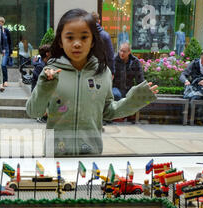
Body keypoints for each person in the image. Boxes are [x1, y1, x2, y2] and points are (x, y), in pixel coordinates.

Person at [26, 9, 158, 156]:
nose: (77, 44)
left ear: (92, 41)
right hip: (55, 155)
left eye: (84, 37)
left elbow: (109, 111)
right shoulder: (50, 73)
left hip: (90, 155)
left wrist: (133, 101)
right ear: (61, 42)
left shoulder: (103, 73)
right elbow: (34, 112)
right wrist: (45, 87)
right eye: (70, 38)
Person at [32, 44, 52, 124]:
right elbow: (40, 82)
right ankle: (42, 114)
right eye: (51, 52)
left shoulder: (46, 65)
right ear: (47, 54)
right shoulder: (40, 66)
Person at [0, 17, 12, 88]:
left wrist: (10, 52)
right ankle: (1, 82)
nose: (0, 23)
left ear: (3, 23)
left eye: (1, 22)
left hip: (6, 50)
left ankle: (5, 81)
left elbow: (10, 42)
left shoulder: (6, 31)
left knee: (3, 65)